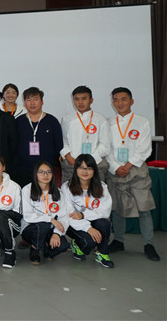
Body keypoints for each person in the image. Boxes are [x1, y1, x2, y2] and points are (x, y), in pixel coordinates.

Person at [106, 87, 160, 261]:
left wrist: (128, 165)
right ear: (113, 102)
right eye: (116, 100)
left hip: (136, 170)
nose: (120, 103)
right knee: (116, 208)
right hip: (115, 170)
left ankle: (148, 244)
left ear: (131, 101)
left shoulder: (142, 122)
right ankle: (118, 240)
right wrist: (116, 167)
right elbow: (106, 148)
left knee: (144, 208)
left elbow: (145, 148)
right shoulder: (108, 123)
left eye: (124, 99)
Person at [62, 154, 114, 268]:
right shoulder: (67, 187)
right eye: (81, 168)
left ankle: (102, 253)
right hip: (73, 223)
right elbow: (68, 214)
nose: (85, 171)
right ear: (76, 169)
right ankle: (76, 244)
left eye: (89, 168)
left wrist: (83, 215)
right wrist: (88, 228)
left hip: (91, 220)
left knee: (105, 223)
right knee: (89, 243)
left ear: (94, 170)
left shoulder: (102, 187)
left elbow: (105, 211)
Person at [20, 160, 70, 265]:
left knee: (63, 245)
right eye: (41, 172)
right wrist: (50, 219)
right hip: (31, 228)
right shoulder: (27, 190)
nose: (45, 175)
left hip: (50, 228)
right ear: (35, 174)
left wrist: (56, 233)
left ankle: (46, 251)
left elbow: (64, 217)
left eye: (48, 172)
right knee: (43, 225)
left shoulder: (58, 192)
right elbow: (28, 216)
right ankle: (35, 249)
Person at [60, 85, 110, 183]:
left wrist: (89, 161)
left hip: (94, 165)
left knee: (95, 192)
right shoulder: (67, 118)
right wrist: (68, 157)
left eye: (84, 98)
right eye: (77, 99)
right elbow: (63, 140)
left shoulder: (100, 119)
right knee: (70, 191)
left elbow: (105, 145)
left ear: (91, 100)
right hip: (72, 164)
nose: (80, 102)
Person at [15, 87, 62, 187]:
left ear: (42, 102)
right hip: (23, 169)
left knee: (45, 195)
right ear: (24, 103)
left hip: (46, 170)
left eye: (35, 99)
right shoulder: (19, 121)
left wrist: (48, 160)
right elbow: (14, 144)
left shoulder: (52, 121)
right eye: (28, 100)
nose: (32, 103)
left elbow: (58, 145)